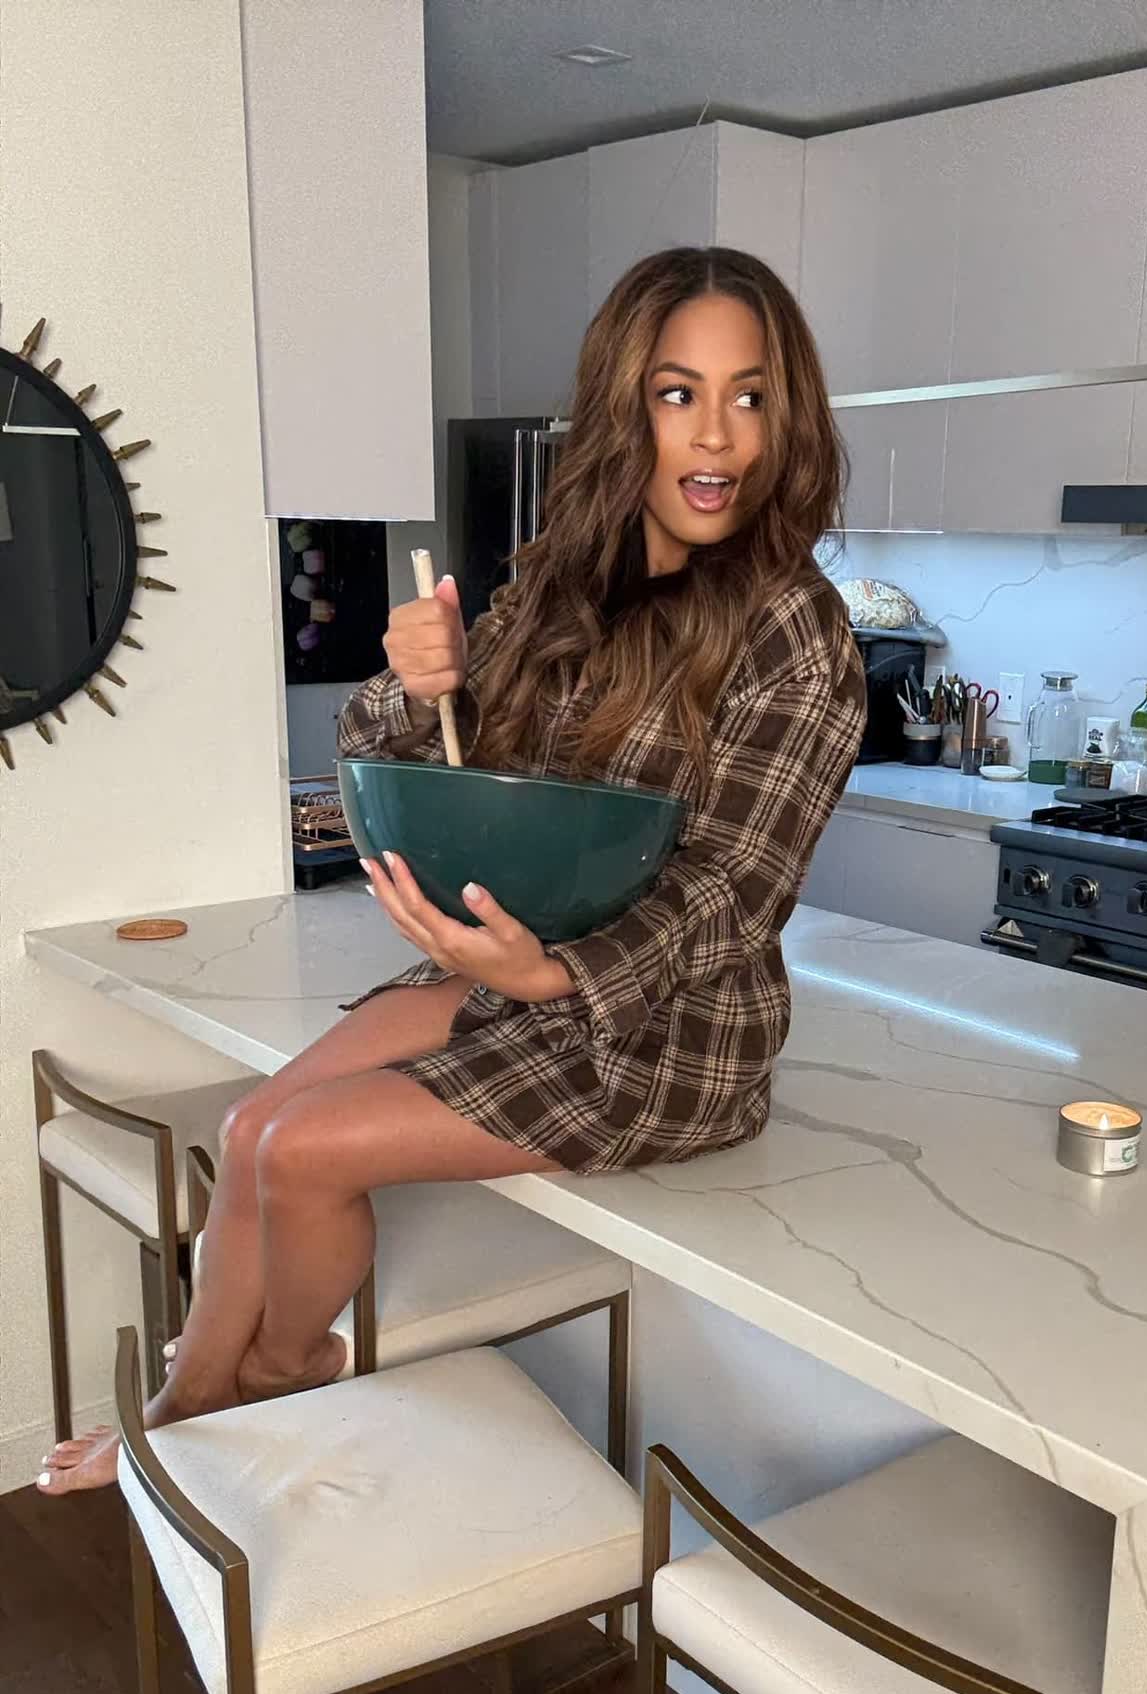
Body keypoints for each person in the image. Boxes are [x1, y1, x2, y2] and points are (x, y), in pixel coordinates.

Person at [39, 245, 866, 1495]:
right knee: (254, 1125)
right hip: (511, 967)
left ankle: (233, 1396)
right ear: (625, 408)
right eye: (677, 393)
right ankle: (203, 1407)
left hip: (669, 1035)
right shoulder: (556, 584)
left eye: (749, 396)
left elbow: (732, 891)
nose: (717, 436)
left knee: (304, 1149)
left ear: (785, 416)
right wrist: (409, 677)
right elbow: (399, 760)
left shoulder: (797, 630)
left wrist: (555, 975)